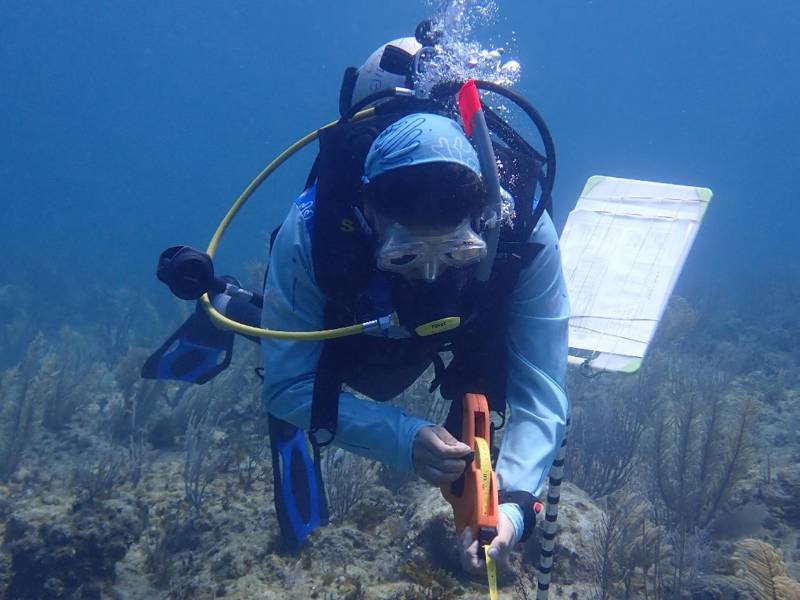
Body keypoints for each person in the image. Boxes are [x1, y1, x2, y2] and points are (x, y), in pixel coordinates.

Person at [260, 39, 569, 571]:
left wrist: (513, 507)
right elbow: (287, 384)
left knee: (485, 389)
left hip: (465, 335)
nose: (429, 273)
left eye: (457, 253)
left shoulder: (520, 231)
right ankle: (241, 307)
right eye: (405, 256)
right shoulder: (312, 232)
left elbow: (542, 390)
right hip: (358, 333)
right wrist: (401, 438)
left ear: (483, 222)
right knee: (307, 352)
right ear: (367, 217)